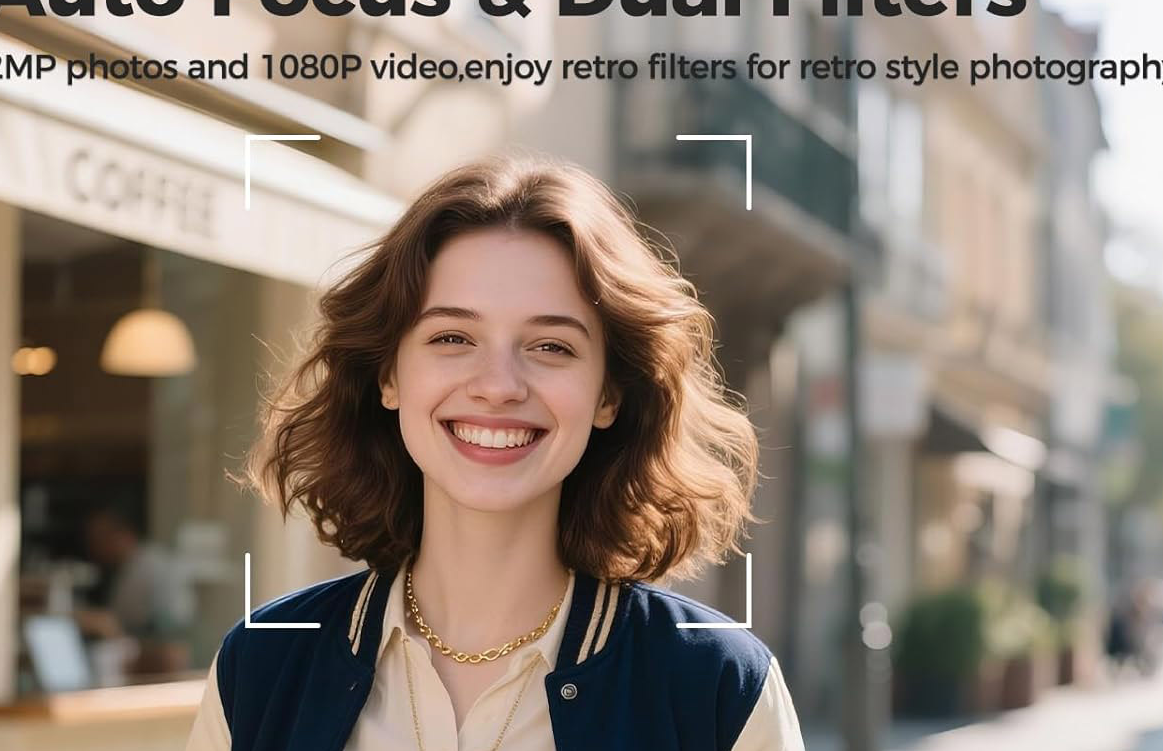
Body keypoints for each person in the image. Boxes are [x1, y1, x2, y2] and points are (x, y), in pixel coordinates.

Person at [186, 155, 805, 750]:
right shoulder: (262, 664)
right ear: (389, 375)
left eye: (551, 346)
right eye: (453, 337)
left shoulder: (718, 687)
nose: (498, 386)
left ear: (609, 394)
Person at [76, 505, 195, 678]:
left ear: (122, 534)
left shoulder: (147, 566)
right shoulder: (129, 567)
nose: (94, 547)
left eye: (100, 538)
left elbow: (122, 627)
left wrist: (105, 626)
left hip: (161, 656)